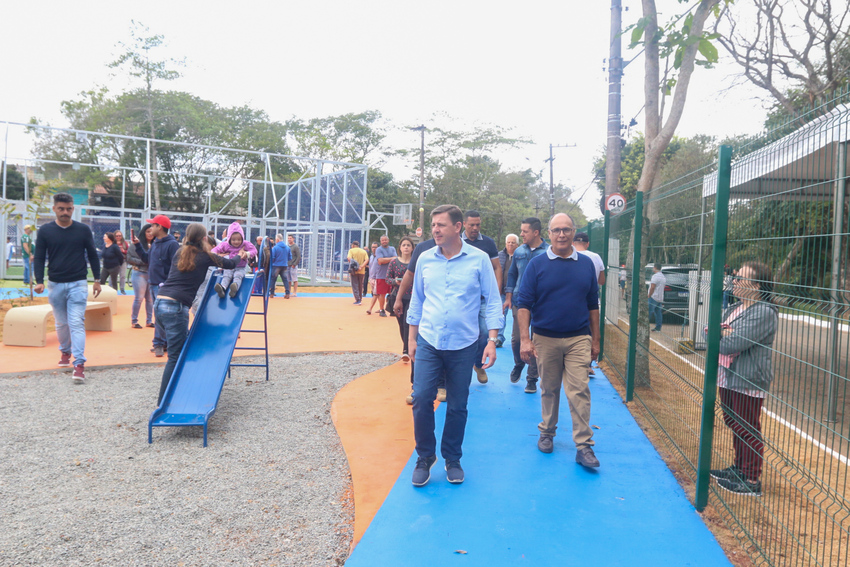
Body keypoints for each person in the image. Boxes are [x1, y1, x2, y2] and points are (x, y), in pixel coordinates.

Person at [407, 205, 503, 486]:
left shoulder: (479, 259)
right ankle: (425, 456)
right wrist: (412, 339)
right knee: (422, 398)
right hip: (428, 341)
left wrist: (492, 341)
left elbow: (492, 300)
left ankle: (452, 458)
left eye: (441, 225)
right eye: (434, 225)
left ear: (458, 227)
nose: (435, 229)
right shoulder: (424, 259)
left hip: (463, 345)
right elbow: (418, 300)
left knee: (458, 404)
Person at [516, 213, 601, 468]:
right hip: (545, 338)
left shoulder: (586, 264)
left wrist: (595, 340)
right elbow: (524, 304)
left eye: (566, 230)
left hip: (578, 338)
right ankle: (547, 432)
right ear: (549, 234)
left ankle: (584, 446)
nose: (561, 234)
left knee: (579, 390)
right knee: (549, 388)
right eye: (556, 230)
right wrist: (524, 339)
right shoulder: (537, 265)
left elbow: (592, 305)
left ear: (574, 232)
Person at [152, 223, 248, 405]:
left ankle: (183, 386)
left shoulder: (179, 252)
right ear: (204, 239)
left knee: (188, 344)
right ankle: (163, 402)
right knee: (175, 355)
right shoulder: (205, 256)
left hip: (160, 303)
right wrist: (240, 255)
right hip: (176, 307)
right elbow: (229, 264)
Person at [709, 262, 778, 497]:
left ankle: (750, 479)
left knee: (747, 426)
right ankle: (739, 468)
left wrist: (723, 334)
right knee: (734, 422)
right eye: (735, 277)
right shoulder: (736, 308)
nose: (734, 281)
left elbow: (731, 344)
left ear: (757, 285)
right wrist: (721, 333)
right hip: (728, 375)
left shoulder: (763, 312)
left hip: (747, 377)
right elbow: (708, 332)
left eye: (740, 278)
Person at [33, 192, 102, 383]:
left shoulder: (83, 230)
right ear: (54, 208)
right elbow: (39, 257)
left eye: (69, 208)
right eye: (61, 208)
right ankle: (65, 351)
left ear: (73, 209)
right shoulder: (45, 231)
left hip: (78, 283)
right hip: (55, 284)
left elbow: (93, 255)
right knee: (61, 323)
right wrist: (39, 280)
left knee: (76, 322)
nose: (65, 212)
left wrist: (97, 279)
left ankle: (79, 364)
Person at [504, 217, 549, 393]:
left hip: (540, 303)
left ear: (536, 232)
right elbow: (512, 275)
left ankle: (532, 379)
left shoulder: (548, 252)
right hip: (519, 300)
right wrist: (508, 297)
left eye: (525, 231)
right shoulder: (519, 252)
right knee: (516, 340)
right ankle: (519, 363)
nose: (521, 234)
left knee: (536, 342)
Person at [460, 210, 501, 384]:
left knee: (484, 332)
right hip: (464, 298)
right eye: (472, 225)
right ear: (463, 225)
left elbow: (497, 267)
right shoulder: (457, 242)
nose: (475, 228)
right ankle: (458, 369)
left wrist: (496, 291)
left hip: (484, 298)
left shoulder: (488, 243)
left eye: (478, 225)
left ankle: (478, 364)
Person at [132, 214, 179, 357]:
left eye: (153, 225)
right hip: (153, 283)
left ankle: (159, 343)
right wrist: (138, 246)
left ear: (159, 227)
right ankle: (163, 343)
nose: (150, 227)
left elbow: (175, 266)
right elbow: (147, 260)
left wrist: (167, 283)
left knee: (160, 316)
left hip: (163, 286)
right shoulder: (156, 243)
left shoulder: (172, 244)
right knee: (160, 315)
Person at [387, 237, 415, 398]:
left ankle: (406, 349)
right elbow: (387, 278)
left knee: (408, 323)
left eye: (408, 245)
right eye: (403, 245)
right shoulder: (393, 263)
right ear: (400, 247)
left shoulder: (415, 262)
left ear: (412, 248)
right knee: (401, 324)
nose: (406, 247)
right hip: (397, 297)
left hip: (412, 298)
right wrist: (396, 282)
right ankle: (405, 345)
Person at [210, 222, 257, 298]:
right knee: (226, 276)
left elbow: (254, 250)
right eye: (233, 239)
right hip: (230, 266)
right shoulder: (225, 244)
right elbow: (216, 249)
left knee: (238, 276)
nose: (236, 242)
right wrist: (213, 253)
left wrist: (247, 254)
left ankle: (234, 288)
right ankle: (222, 288)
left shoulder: (245, 244)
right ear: (229, 238)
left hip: (240, 267)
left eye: (239, 239)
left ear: (242, 238)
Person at [127, 224, 155, 329]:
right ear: (144, 232)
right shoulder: (135, 244)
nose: (150, 233)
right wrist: (144, 262)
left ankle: (149, 321)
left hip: (151, 274)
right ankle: (134, 321)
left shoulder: (155, 244)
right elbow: (129, 258)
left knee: (150, 299)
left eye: (152, 231)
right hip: (139, 273)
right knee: (139, 298)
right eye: (148, 231)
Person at [497, 234, 519, 347]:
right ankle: (499, 338)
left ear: (517, 244)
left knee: (518, 316)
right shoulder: (499, 255)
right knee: (501, 315)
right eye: (508, 242)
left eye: (513, 242)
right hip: (501, 292)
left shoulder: (521, 256)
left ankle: (518, 339)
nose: (510, 244)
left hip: (517, 293)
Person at [365, 235, 396, 317]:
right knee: (381, 294)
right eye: (382, 240)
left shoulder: (392, 249)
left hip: (391, 275)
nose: (384, 241)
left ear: (388, 240)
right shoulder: (379, 249)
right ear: (381, 241)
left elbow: (395, 259)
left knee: (392, 293)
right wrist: (391, 258)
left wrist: (386, 259)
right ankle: (382, 310)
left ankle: (391, 309)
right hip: (381, 275)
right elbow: (380, 261)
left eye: (385, 240)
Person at [269, 233, 292, 298]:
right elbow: (290, 257)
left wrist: (273, 262)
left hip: (276, 265)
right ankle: (287, 293)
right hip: (284, 265)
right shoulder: (287, 247)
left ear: (277, 239)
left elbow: (272, 257)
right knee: (285, 279)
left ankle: (272, 293)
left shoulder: (275, 248)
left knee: (273, 279)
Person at [346, 240, 369, 305]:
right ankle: (360, 298)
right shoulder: (363, 251)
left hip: (354, 270)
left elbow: (349, 258)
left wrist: (356, 265)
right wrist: (361, 266)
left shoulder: (351, 250)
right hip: (362, 271)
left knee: (355, 285)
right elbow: (367, 260)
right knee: (360, 285)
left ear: (353, 245)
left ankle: (357, 299)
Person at [648, 263, 666, 332]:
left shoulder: (655, 276)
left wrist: (649, 295)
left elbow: (652, 287)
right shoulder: (663, 277)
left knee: (649, 311)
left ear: (655, 267)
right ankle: (658, 327)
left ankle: (645, 325)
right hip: (660, 297)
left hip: (653, 296)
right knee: (658, 312)